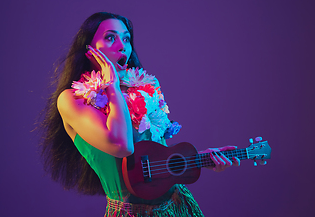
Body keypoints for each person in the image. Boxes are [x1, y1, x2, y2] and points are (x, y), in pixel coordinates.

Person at [40, 12, 240, 217]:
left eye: (126, 38)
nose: (122, 45)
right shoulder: (72, 99)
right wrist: (112, 86)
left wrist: (201, 159)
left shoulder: (142, 88)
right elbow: (122, 146)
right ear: (89, 48)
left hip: (177, 207)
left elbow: (154, 160)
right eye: (110, 37)